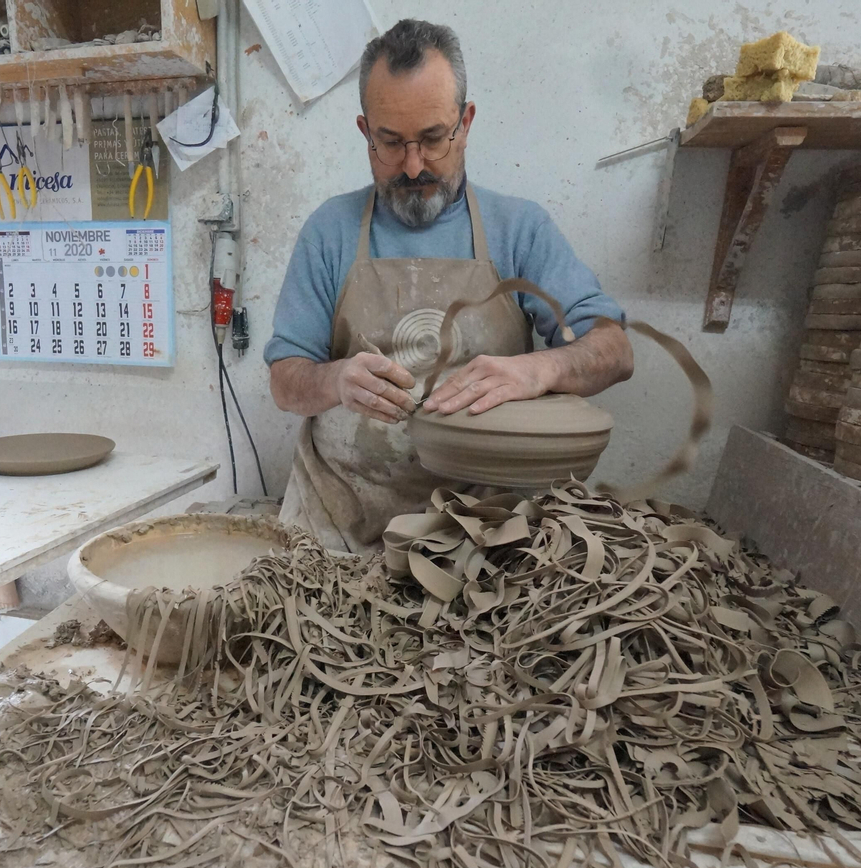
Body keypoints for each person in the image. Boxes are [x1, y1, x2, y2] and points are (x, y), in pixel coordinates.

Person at [264, 19, 634, 554]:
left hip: (489, 533)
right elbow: (285, 381)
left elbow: (616, 351)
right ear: (365, 131)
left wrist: (543, 368)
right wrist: (335, 380)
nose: (414, 166)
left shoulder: (519, 229)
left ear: (466, 122)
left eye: (434, 139)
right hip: (341, 527)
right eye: (390, 143)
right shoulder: (330, 230)